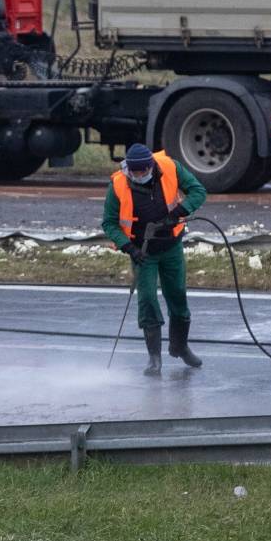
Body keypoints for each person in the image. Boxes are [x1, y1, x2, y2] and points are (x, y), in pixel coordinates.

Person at [101, 143, 208, 376]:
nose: (138, 176)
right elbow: (109, 222)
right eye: (134, 172)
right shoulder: (118, 184)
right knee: (147, 299)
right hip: (143, 252)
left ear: (150, 167)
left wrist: (178, 213)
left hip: (170, 247)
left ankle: (180, 346)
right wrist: (128, 247)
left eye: (142, 171)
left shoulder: (171, 168)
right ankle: (154, 358)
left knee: (177, 295)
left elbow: (198, 191)